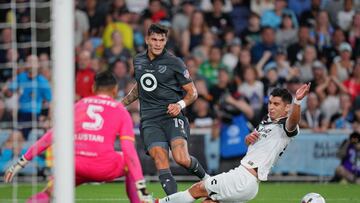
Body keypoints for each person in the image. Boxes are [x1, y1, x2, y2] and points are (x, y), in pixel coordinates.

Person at [3, 71, 152, 203]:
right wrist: (141, 187)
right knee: (126, 160)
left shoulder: (79, 105)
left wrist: (21, 162)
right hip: (103, 166)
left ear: (93, 88)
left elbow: (50, 136)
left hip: (74, 166)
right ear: (115, 90)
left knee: (48, 193)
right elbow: (129, 151)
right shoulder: (120, 111)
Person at [155, 84, 311, 203]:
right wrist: (248, 139)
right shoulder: (266, 122)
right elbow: (255, 144)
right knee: (209, 201)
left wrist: (297, 101)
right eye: (270, 102)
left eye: (276, 104)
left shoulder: (286, 126)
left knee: (197, 189)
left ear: (287, 108)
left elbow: (294, 121)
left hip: (244, 178)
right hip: (246, 181)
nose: (271, 107)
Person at [121, 23, 209, 195]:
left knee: (181, 158)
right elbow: (141, 86)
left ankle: (208, 180)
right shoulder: (138, 60)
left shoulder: (174, 62)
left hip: (172, 116)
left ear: (165, 41)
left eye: (161, 40)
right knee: (161, 160)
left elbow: (193, 92)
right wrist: (120, 104)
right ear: (147, 40)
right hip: (149, 120)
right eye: (154, 39)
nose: (158, 44)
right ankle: (174, 199)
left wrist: (180, 105)